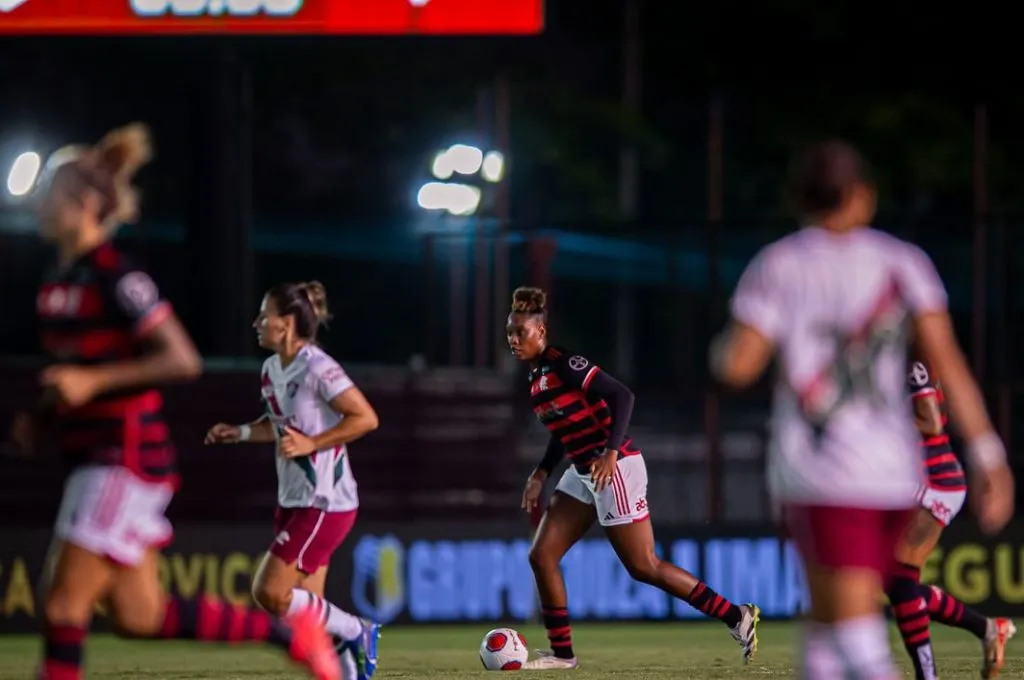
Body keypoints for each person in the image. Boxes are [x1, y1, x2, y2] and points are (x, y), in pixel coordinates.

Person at [18, 124, 341, 680]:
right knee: (139, 617)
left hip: (123, 460)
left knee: (62, 606)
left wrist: (91, 386)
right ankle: (291, 633)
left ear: (88, 204)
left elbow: (180, 359)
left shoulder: (118, 277)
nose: (39, 201)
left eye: (50, 190)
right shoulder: (58, 280)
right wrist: (43, 416)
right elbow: (77, 375)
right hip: (92, 459)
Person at [711, 139, 1015, 680]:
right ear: (863, 197)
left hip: (824, 468)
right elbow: (951, 364)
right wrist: (989, 453)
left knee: (854, 637)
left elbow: (737, 366)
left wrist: (723, 349)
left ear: (799, 198)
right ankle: (975, 634)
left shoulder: (780, 264)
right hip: (897, 473)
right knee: (828, 631)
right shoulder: (903, 263)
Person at [508, 286, 760, 671]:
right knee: (542, 556)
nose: (513, 340)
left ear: (541, 331)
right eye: (509, 333)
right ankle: (562, 655)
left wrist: (610, 453)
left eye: (519, 332)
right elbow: (564, 432)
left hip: (615, 466)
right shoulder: (535, 377)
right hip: (583, 472)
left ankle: (735, 614)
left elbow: (622, 395)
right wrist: (541, 472)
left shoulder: (564, 363)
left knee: (644, 565)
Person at [204, 281, 381, 680]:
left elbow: (366, 418)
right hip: (293, 496)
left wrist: (313, 443)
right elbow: (281, 426)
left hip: (326, 501)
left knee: (269, 591)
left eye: (264, 316)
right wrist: (242, 432)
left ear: (285, 324)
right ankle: (346, 672)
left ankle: (360, 630)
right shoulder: (270, 370)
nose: (256, 323)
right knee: (310, 611)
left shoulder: (318, 366)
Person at [888, 359, 1015, 679]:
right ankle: (987, 629)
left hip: (933, 481)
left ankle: (928, 675)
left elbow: (930, 420)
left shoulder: (914, 364)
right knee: (899, 580)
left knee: (899, 579)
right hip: (922, 481)